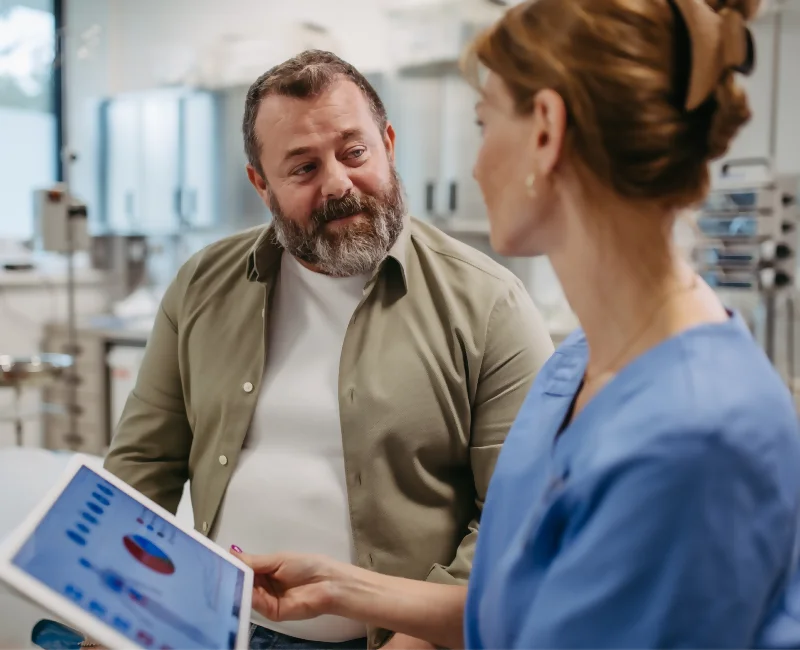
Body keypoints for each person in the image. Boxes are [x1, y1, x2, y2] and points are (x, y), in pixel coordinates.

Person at [229, 0, 800, 649]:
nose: (474, 166)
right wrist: (343, 588)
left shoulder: (701, 435)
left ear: (546, 132)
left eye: (484, 123)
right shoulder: (575, 367)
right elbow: (521, 610)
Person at [103, 50, 555, 650]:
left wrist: (415, 641)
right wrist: (109, 608)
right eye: (303, 168)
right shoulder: (202, 284)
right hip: (217, 627)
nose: (338, 183)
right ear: (260, 184)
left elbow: (519, 518)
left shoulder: (490, 304)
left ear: (388, 143)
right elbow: (143, 465)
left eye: (354, 151)